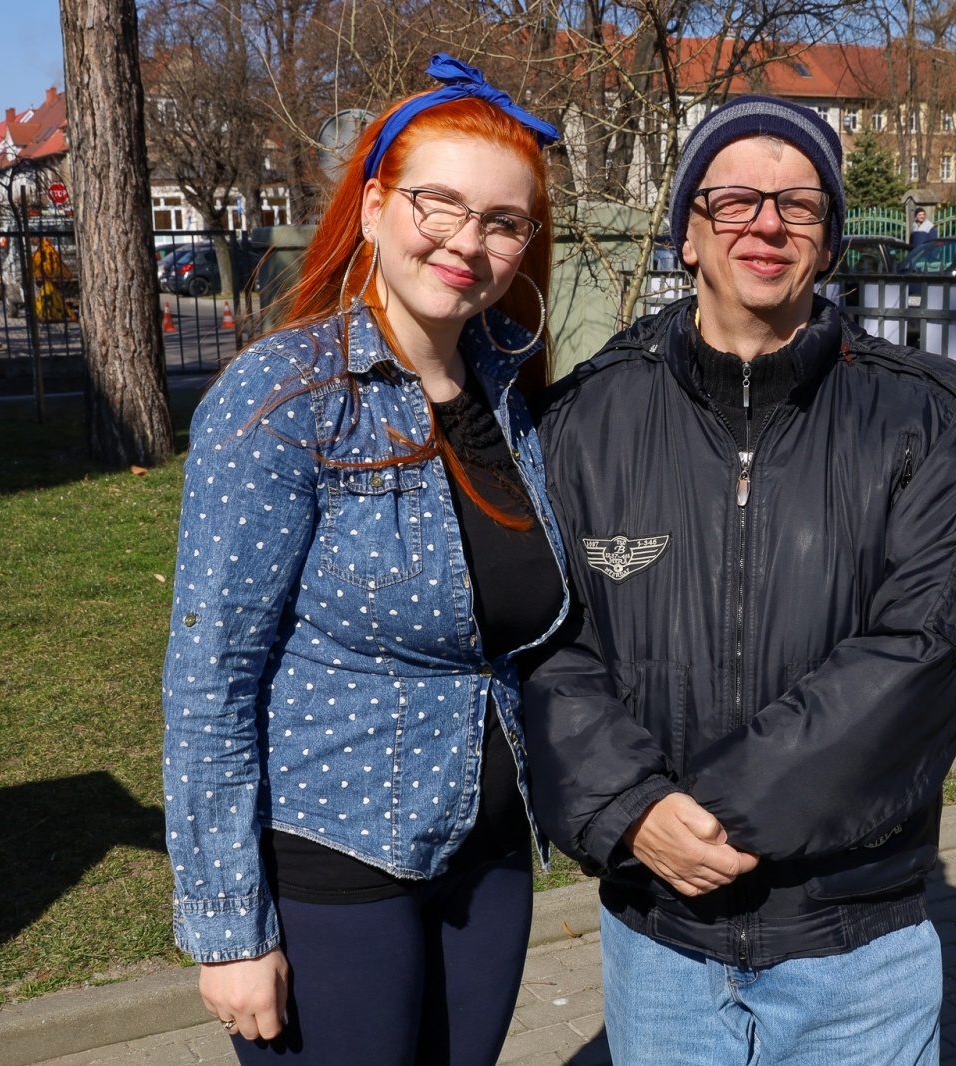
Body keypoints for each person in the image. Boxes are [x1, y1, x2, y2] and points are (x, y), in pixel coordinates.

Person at [523, 96, 956, 1066]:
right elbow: (546, 643)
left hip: (856, 951)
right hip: (660, 946)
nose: (767, 224)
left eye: (798, 203)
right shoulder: (584, 419)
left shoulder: (914, 419)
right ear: (688, 233)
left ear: (829, 240)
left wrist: (703, 814)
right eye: (734, 199)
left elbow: (921, 653)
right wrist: (632, 812)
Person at [161, 54, 569, 1066]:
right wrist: (229, 930)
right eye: (441, 204)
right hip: (337, 865)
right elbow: (210, 680)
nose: (467, 242)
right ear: (377, 205)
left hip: (488, 857)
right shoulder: (283, 400)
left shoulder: (512, 396)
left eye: (503, 222)